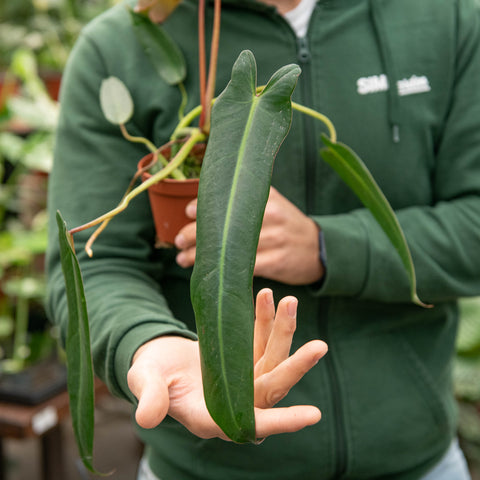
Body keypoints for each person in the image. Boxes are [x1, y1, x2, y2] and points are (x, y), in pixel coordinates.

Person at [46, 0, 480, 478]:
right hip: (204, 467)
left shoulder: (449, 17)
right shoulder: (130, 39)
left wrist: (324, 246)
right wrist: (149, 343)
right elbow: (95, 261)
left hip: (418, 459)